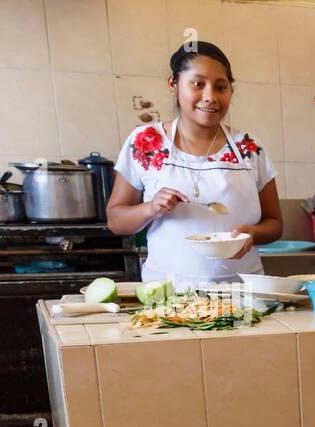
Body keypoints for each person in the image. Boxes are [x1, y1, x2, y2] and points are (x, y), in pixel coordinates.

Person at [107, 42, 282, 287]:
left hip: (242, 291)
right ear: (173, 84)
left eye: (220, 87)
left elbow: (275, 224)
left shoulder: (249, 148)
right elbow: (116, 220)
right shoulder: (145, 142)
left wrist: (253, 234)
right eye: (198, 84)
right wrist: (151, 208)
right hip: (167, 294)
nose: (210, 97)